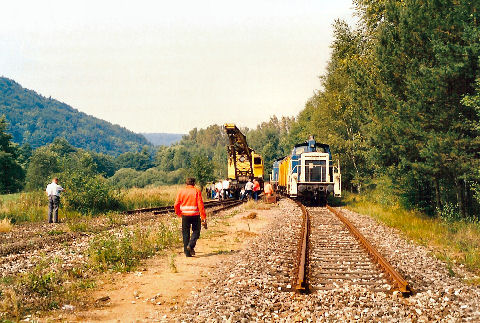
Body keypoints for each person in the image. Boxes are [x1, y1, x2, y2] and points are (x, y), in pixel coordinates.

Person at [174, 178, 207, 257]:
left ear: (186, 183)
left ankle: (187, 253)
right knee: (196, 231)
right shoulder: (196, 191)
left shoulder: (181, 192)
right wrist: (203, 217)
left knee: (185, 233)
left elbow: (176, 204)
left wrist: (179, 213)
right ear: (194, 183)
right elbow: (200, 205)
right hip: (195, 215)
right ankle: (191, 245)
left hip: (185, 215)